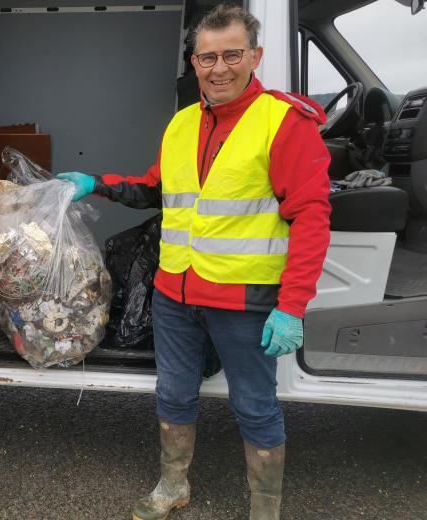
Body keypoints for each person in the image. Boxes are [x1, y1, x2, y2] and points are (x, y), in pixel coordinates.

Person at [59, 4, 331, 520]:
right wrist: (96, 183)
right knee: (174, 394)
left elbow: (312, 220)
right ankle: (172, 485)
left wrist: (292, 307)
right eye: (207, 57)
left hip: (246, 300)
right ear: (194, 62)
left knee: (254, 405)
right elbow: (156, 190)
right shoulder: (182, 124)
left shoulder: (285, 123)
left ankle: (265, 508)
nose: (219, 68)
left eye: (232, 54)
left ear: (256, 56)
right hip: (175, 297)